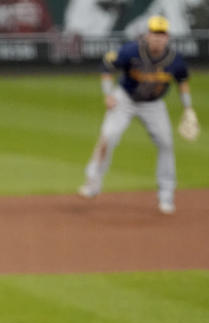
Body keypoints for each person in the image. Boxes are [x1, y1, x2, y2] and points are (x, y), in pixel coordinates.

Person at [77, 15, 196, 214]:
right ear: (147, 35)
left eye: (162, 34)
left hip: (153, 105)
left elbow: (182, 82)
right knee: (108, 137)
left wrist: (188, 107)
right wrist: (108, 94)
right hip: (125, 99)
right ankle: (92, 184)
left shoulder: (175, 60)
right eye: (155, 33)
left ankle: (166, 196)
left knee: (166, 144)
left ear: (167, 37)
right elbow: (107, 67)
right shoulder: (131, 51)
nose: (158, 38)